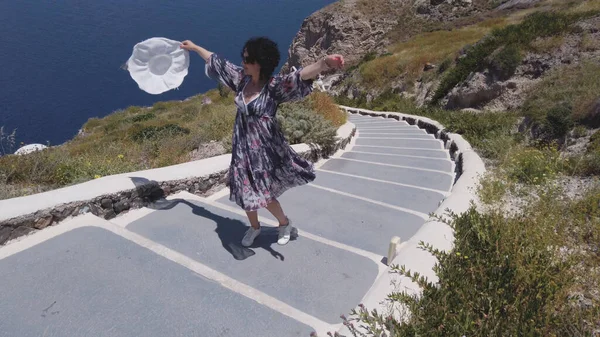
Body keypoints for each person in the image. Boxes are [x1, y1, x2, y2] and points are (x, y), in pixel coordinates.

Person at [180, 37, 344, 247]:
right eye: (243, 57)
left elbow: (301, 76)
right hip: (241, 149)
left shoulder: (274, 88)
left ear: (260, 63)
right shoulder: (241, 79)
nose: (243, 62)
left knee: (264, 195)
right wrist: (194, 47)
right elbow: (217, 62)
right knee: (244, 193)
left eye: (248, 59)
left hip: (265, 151)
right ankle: (255, 228)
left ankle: (284, 223)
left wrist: (325, 63)